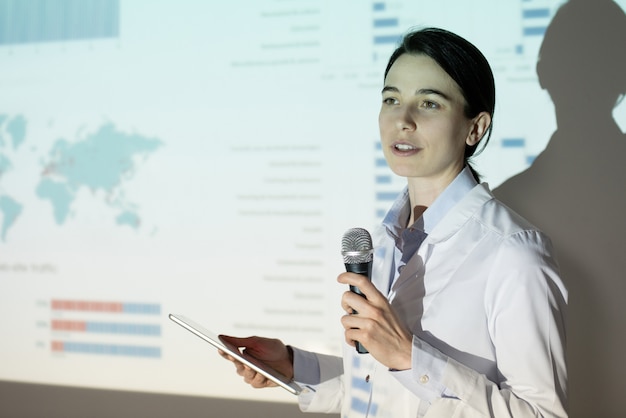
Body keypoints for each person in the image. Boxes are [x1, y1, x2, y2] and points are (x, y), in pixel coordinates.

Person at [219, 27, 568, 418]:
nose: (402, 119)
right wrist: (294, 366)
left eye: (429, 104)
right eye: (391, 99)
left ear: (476, 127)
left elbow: (542, 414)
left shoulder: (514, 253)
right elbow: (386, 389)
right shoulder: (382, 242)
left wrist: (409, 356)